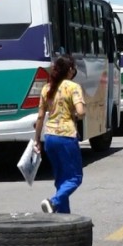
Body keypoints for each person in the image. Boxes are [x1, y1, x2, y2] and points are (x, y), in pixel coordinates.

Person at [34, 55, 85, 214]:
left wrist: (37, 140)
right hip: (66, 136)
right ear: (70, 70)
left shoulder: (46, 88)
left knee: (61, 179)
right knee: (75, 177)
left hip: (49, 137)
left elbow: (40, 117)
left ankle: (63, 217)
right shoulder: (73, 87)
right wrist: (75, 116)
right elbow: (81, 112)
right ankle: (53, 201)